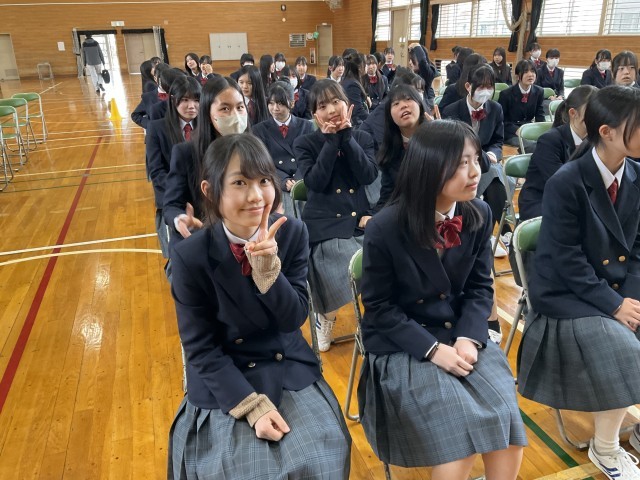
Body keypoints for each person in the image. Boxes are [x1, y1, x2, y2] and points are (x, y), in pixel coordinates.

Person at [167, 133, 351, 480]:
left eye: (264, 181)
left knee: (320, 456)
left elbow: (294, 318)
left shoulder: (292, 233)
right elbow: (201, 348)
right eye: (240, 182)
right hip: (226, 381)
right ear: (210, 191)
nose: (256, 195)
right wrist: (251, 406)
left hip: (285, 365)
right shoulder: (190, 256)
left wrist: (269, 275)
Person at [358, 119, 526, 479]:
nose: (475, 172)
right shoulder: (385, 227)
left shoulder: (479, 213)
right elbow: (380, 309)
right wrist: (433, 349)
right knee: (460, 445)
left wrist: (468, 337)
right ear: (430, 168)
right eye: (462, 163)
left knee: (509, 431)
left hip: (461, 332)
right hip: (405, 344)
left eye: (475, 159)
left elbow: (480, 287)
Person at [517, 85, 640, 480]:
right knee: (624, 346)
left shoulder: (636, 175)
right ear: (607, 132)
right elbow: (567, 262)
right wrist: (615, 305)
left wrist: (631, 300)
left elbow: (639, 248)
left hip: (615, 289)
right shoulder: (566, 181)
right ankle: (605, 449)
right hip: (566, 296)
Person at [293, 79, 377, 352]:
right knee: (341, 259)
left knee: (385, 253)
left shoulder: (362, 138)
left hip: (359, 219)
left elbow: (368, 175)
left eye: (336, 102)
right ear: (314, 114)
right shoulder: (305, 143)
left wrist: (347, 138)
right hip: (324, 223)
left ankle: (378, 318)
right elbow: (315, 183)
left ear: (347, 105)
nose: (331, 110)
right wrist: (330, 142)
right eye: (322, 106)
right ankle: (325, 317)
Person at [163, 76, 249, 249]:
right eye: (225, 108)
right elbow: (172, 205)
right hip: (204, 240)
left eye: (240, 107)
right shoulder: (186, 153)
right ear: (208, 113)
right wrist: (180, 219)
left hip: (245, 239)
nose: (235, 115)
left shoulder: (254, 150)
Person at [443, 64, 508, 258]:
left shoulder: (495, 109)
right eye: (481, 87)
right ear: (468, 86)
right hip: (460, 163)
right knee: (494, 173)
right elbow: (450, 147)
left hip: (486, 161)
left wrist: (493, 153)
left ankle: (494, 233)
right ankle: (502, 232)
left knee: (493, 171)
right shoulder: (452, 110)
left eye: (490, 87)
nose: (485, 91)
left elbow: (498, 140)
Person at [519, 85, 597, 221]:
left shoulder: (594, 141)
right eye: (593, 112)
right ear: (573, 113)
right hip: (542, 200)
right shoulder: (549, 140)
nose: (599, 117)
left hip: (576, 199)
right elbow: (560, 183)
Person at [146, 76, 201, 260]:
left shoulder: (206, 126)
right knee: (179, 254)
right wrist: (179, 191)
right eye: (185, 100)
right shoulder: (157, 129)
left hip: (203, 200)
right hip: (174, 201)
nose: (191, 106)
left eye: (196, 100)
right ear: (173, 100)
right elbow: (157, 171)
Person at [359, 84, 427, 225]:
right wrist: (373, 215)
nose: (403, 106)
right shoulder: (390, 150)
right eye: (396, 104)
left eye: (408, 99)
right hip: (408, 216)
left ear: (420, 104)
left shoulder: (441, 138)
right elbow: (389, 194)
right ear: (389, 115)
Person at [252, 81, 314, 216]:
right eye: (271, 103)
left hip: (303, 180)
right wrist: (283, 180)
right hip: (276, 182)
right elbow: (262, 162)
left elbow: (310, 156)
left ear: (292, 103)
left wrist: (298, 180)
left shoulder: (307, 126)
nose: (275, 108)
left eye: (280, 103)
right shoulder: (258, 130)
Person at [498, 59, 545, 153]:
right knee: (534, 146)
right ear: (517, 76)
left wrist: (543, 132)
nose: (530, 75)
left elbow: (540, 115)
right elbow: (501, 121)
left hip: (529, 130)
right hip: (511, 132)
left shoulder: (539, 91)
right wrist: (517, 130)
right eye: (526, 72)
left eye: (533, 71)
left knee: (547, 142)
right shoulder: (506, 94)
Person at [408, 43, 437, 113]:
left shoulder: (427, 73)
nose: (410, 62)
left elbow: (422, 63)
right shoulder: (414, 74)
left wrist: (416, 46)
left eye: (412, 59)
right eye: (409, 59)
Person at [341, 53, 369, 126]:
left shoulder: (350, 80)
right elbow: (358, 110)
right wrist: (374, 119)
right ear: (359, 67)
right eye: (366, 64)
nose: (367, 66)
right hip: (355, 124)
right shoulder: (352, 85)